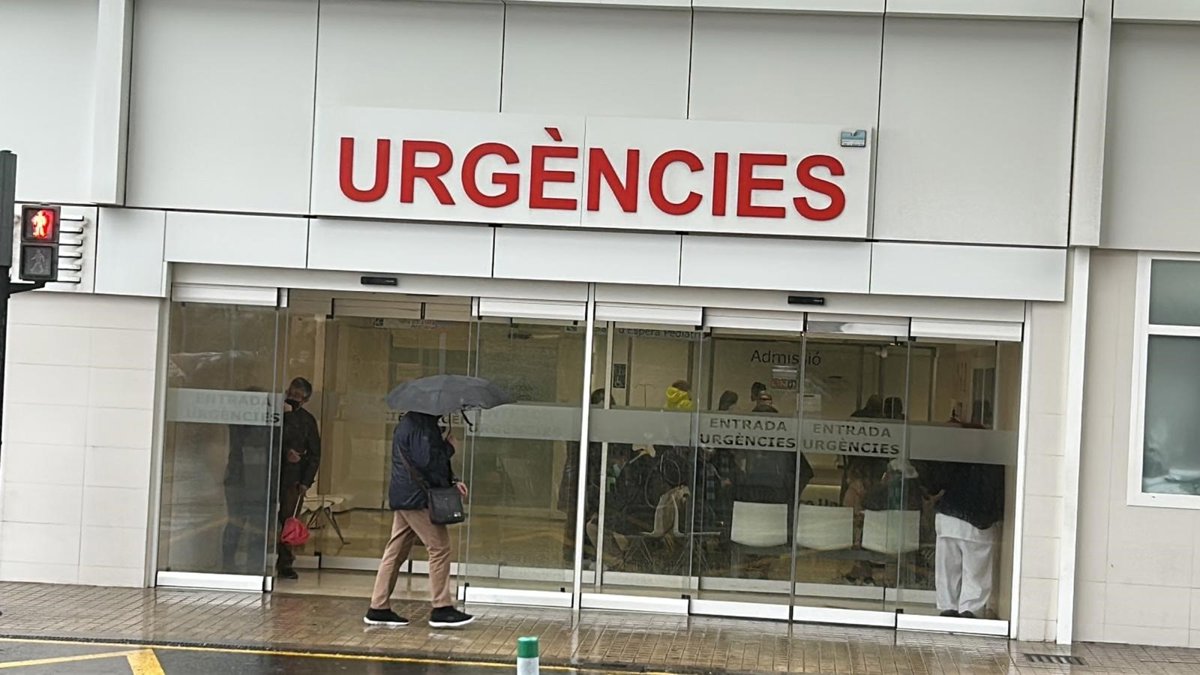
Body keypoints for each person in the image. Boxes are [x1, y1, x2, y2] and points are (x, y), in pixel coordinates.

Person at [365, 411, 474, 629]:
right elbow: (428, 462)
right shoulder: (421, 426)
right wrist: (449, 447)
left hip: (406, 495)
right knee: (440, 548)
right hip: (417, 498)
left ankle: (378, 607)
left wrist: (452, 480)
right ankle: (441, 608)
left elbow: (423, 462)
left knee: (395, 552)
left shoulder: (413, 423)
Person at [924, 423, 1005, 619]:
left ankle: (948, 607)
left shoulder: (954, 454)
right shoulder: (993, 460)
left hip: (949, 517)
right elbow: (995, 491)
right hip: (977, 521)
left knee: (947, 569)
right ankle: (970, 609)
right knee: (976, 571)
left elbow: (935, 483)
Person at [277, 377, 320, 581]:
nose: (293, 399)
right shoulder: (276, 413)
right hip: (271, 472)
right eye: (291, 394)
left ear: (305, 400)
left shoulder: (307, 421)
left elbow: (315, 454)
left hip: (293, 477)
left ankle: (285, 562)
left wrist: (306, 482)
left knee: (289, 520)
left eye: (298, 397)